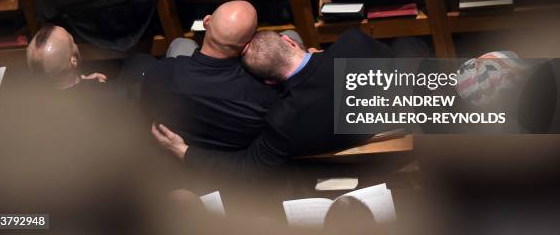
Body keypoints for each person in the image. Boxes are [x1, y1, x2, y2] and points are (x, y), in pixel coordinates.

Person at [152, 28, 394, 175]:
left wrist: (183, 150)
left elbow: (246, 167)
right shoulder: (354, 43)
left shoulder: (283, 119)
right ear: (290, 43)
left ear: (268, 82)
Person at [144, 1, 281, 151]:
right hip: (232, 157)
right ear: (248, 44)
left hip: (180, 152)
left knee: (180, 43)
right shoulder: (264, 91)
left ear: (206, 22)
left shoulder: (161, 73)